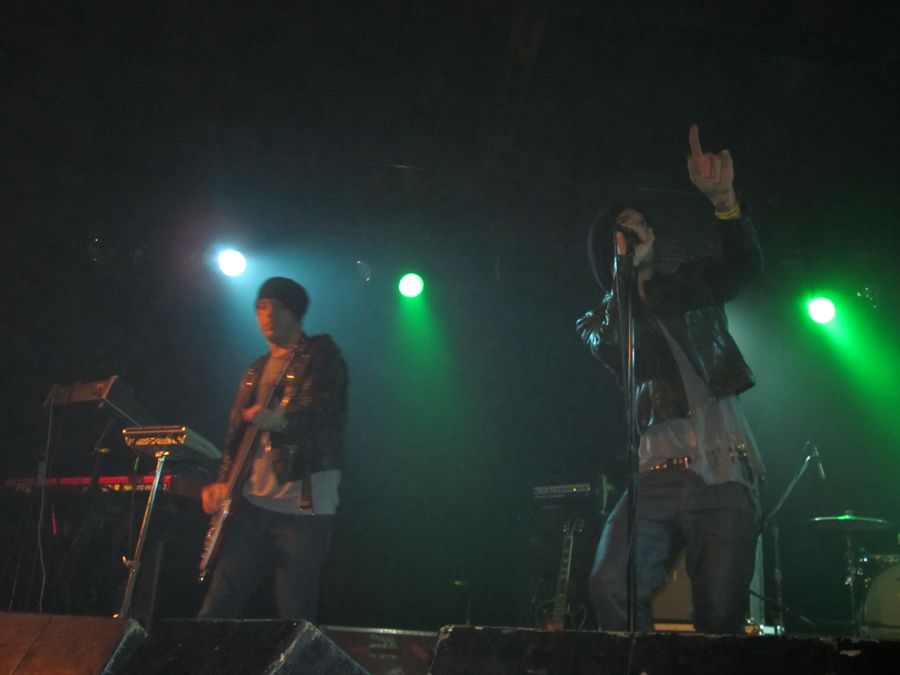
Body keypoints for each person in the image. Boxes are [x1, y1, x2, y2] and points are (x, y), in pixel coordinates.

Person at [576, 125, 765, 633]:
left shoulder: (690, 285)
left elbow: (744, 265)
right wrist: (624, 274)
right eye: (624, 227)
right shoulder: (601, 320)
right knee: (611, 585)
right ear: (609, 247)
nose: (638, 228)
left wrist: (725, 203)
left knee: (720, 616)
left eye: (641, 222)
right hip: (656, 473)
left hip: (722, 465)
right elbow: (622, 350)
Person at [199, 276, 348, 621]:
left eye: (277, 307)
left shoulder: (321, 354)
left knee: (293, 614)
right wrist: (222, 483)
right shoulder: (254, 370)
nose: (268, 315)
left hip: (303, 507)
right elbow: (235, 436)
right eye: (261, 307)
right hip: (251, 503)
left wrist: (283, 423)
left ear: (295, 312)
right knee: (217, 606)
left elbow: (325, 411)